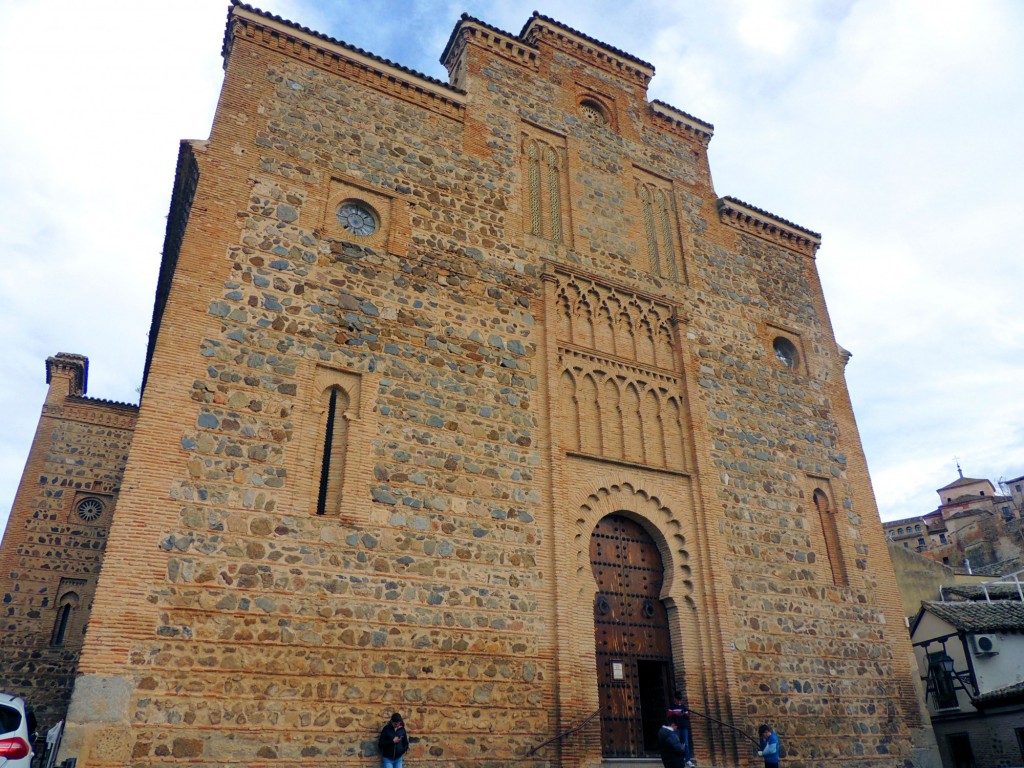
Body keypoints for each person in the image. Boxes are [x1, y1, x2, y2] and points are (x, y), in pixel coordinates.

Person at [665, 690, 694, 767]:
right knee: (676, 744)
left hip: (684, 728)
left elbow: (687, 716)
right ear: (675, 699)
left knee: (685, 744)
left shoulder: (684, 708)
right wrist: (676, 714)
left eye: (680, 699)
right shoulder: (672, 707)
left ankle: (688, 760)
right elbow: (669, 716)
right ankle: (677, 760)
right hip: (676, 728)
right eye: (678, 699)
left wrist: (683, 714)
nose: (679, 701)